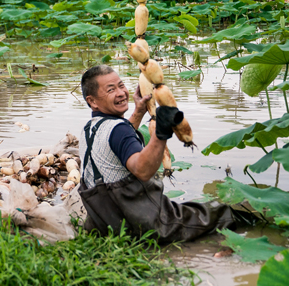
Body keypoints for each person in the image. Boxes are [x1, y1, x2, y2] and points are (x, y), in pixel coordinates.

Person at [78, 64, 247, 243]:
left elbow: (118, 141)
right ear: (93, 101)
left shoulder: (90, 128)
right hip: (142, 227)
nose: (121, 93)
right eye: (111, 89)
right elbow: (141, 170)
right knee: (224, 212)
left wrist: (139, 111)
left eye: (121, 85)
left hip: (105, 224)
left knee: (192, 208)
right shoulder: (119, 130)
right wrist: (161, 132)